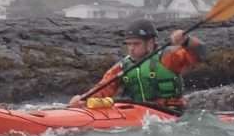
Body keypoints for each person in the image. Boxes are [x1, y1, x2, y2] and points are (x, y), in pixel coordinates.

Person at [69, 19, 205, 111]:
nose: (131, 48)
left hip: (172, 113)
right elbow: (102, 88)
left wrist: (186, 41)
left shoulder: (169, 57)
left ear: (150, 43)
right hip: (139, 112)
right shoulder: (122, 67)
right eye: (129, 44)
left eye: (136, 43)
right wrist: (82, 100)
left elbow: (199, 54)